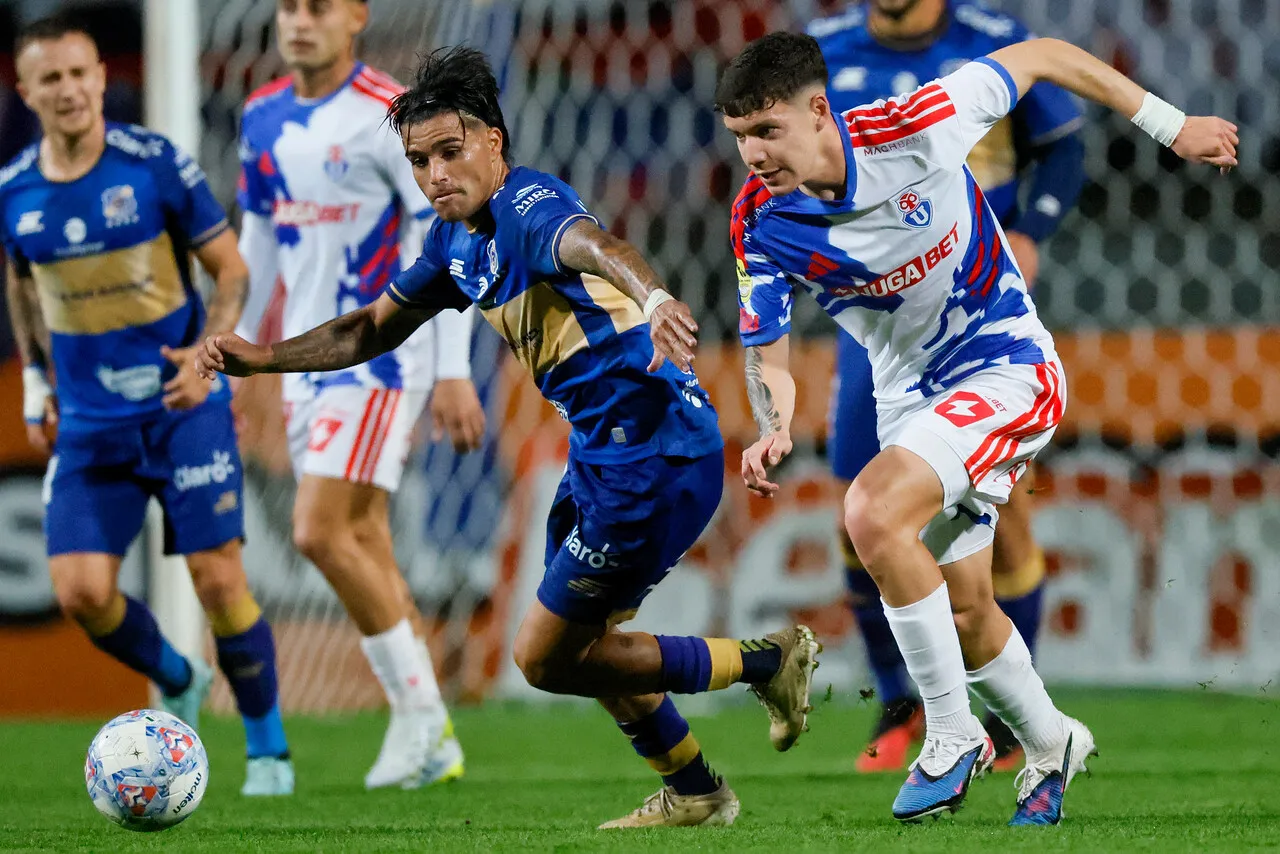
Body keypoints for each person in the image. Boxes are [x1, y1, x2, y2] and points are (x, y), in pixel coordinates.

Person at [198, 45, 822, 830]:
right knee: (591, 644)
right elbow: (367, 328)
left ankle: (766, 662)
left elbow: (595, 245)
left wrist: (654, 293)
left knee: (545, 657)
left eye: (450, 153)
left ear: (494, 142)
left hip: (654, 453)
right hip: (604, 456)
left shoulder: (528, 207)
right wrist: (266, 359)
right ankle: (695, 791)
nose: (434, 175)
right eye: (419, 160)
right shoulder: (455, 242)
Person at [719, 31, 1235, 824]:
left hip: (1005, 368)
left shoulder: (915, 126)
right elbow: (771, 356)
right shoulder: (759, 223)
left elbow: (1039, 56)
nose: (753, 154)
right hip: (911, 403)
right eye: (741, 137)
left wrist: (1170, 126)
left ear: (819, 111)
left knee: (870, 513)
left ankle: (950, 735)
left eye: (767, 131)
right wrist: (770, 424)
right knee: (965, 610)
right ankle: (1051, 739)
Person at [0, 15, 297, 796]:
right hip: (92, 422)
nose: (67, 90)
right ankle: (178, 672)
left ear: (102, 77)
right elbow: (23, 286)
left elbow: (230, 271)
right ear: (25, 91)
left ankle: (268, 753)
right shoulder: (14, 191)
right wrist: (35, 378)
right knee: (82, 593)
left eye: (79, 74)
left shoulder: (154, 165)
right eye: (49, 79)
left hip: (181, 403)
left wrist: (211, 355)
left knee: (218, 578)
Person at [806, 0, 1085, 774]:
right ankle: (905, 708)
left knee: (997, 520)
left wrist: (1033, 228)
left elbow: (1063, 147)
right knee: (859, 513)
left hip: (980, 301)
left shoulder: (991, 42)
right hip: (886, 315)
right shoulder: (822, 53)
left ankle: (1004, 721)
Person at [233, 0, 485, 790]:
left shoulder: (387, 115)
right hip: (306, 359)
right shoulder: (262, 116)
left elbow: (444, 240)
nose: (299, 21)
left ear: (356, 17)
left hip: (377, 358)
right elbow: (260, 242)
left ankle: (418, 721)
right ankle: (430, 729)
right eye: (288, 7)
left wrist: (450, 367)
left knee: (315, 530)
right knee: (365, 540)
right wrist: (244, 355)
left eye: (318, 7)